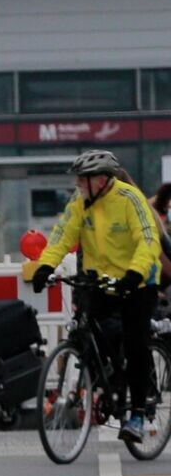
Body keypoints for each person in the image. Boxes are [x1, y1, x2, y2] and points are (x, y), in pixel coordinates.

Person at [32, 149, 162, 443]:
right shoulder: (80, 204)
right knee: (90, 331)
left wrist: (135, 273)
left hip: (137, 282)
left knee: (134, 343)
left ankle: (138, 414)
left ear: (101, 180)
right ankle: (109, 381)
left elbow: (148, 239)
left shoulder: (129, 199)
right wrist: (45, 266)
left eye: (83, 179)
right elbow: (61, 236)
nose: (78, 184)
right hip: (100, 281)